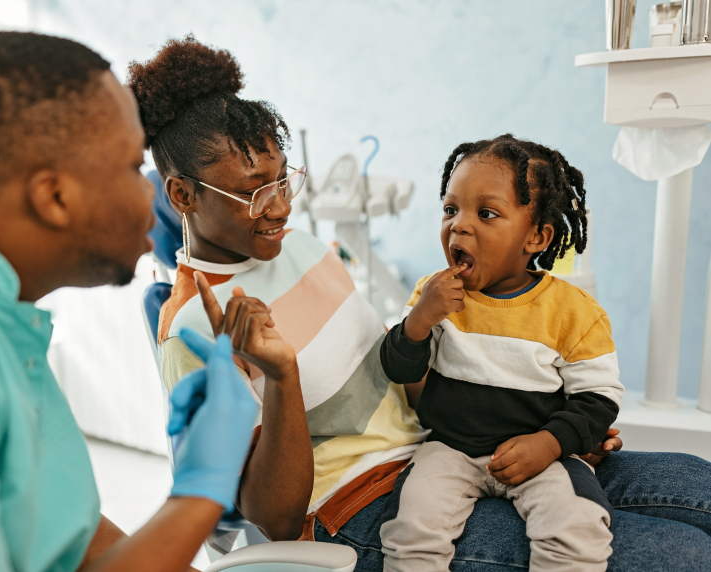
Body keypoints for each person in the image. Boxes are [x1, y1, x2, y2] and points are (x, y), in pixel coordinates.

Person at [133, 36, 711, 571]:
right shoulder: (192, 328)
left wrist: (551, 424)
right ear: (182, 194)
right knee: (682, 555)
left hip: (446, 450)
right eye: (255, 190)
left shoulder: (304, 248)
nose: (281, 206)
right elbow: (275, 519)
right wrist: (280, 375)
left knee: (699, 488)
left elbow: (392, 377)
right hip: (356, 508)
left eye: (283, 180)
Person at [0, 31, 259, 572]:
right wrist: (202, 494)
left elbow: (68, 538)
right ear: (55, 197)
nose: (153, 193)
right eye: (129, 167)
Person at [379, 135, 622, 571]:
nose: (460, 226)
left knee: (578, 528)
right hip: (448, 450)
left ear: (536, 237)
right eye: (451, 209)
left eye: (486, 213)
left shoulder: (573, 313)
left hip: (541, 455)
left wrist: (550, 443)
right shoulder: (432, 296)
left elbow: (599, 399)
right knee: (409, 530)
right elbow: (399, 368)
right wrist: (419, 320)